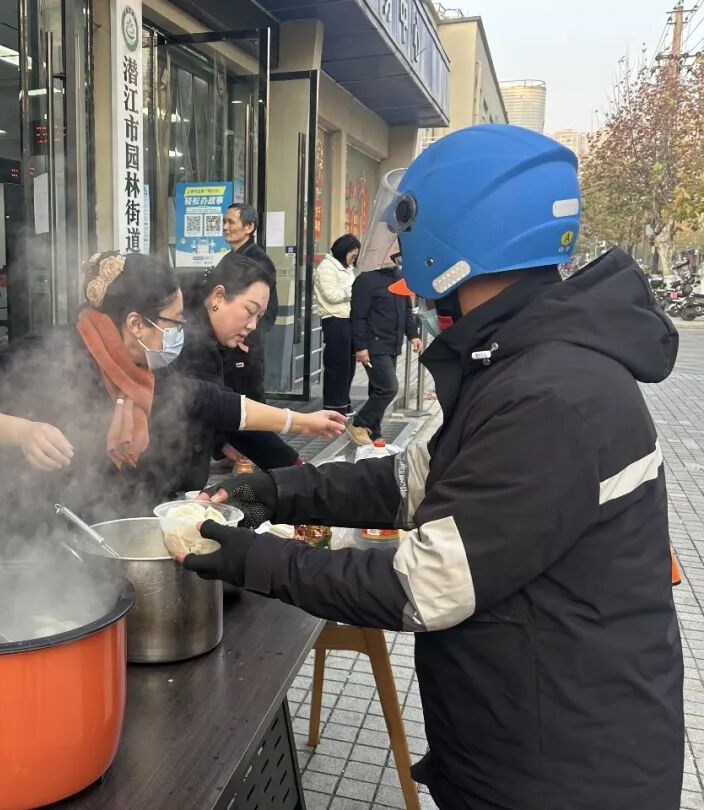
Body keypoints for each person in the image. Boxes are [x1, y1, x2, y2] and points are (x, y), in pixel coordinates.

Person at [179, 125, 682, 809]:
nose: (398, 251)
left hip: (564, 772)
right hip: (536, 738)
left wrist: (249, 559)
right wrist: (275, 491)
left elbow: (421, 585)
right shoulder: (527, 363)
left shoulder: (552, 394)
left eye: (406, 230)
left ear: (459, 234)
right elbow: (411, 480)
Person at [0, 252, 343, 531]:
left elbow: (211, 402)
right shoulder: (50, 351)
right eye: (173, 323)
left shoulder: (137, 371)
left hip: (48, 517)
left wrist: (301, 421)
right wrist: (22, 431)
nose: (179, 333)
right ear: (136, 323)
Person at [147, 253, 344, 495]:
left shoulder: (218, 337)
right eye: (249, 311)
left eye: (259, 316)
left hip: (176, 482)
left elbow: (229, 408)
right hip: (152, 483)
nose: (253, 325)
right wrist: (299, 425)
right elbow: (217, 404)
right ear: (218, 296)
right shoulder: (185, 337)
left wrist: (222, 440)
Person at [346, 243, 420, 445]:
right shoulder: (366, 280)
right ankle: (359, 424)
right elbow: (358, 317)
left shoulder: (399, 278)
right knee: (389, 388)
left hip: (392, 343)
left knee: (377, 389)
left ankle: (374, 433)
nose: (396, 257)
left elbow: (406, 310)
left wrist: (413, 334)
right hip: (373, 345)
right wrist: (360, 347)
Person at [220, 203, 278, 401]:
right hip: (228, 342)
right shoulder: (229, 258)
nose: (225, 227)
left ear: (249, 227)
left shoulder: (259, 261)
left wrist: (246, 338)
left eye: (231, 222)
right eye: (224, 222)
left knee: (248, 400)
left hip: (244, 345)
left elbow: (267, 310)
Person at [314, 234, 361, 415]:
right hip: (334, 320)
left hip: (347, 319)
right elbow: (331, 295)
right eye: (352, 255)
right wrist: (353, 291)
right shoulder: (327, 267)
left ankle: (343, 402)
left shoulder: (347, 268)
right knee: (337, 365)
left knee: (348, 365)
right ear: (343, 250)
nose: (353, 259)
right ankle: (333, 405)